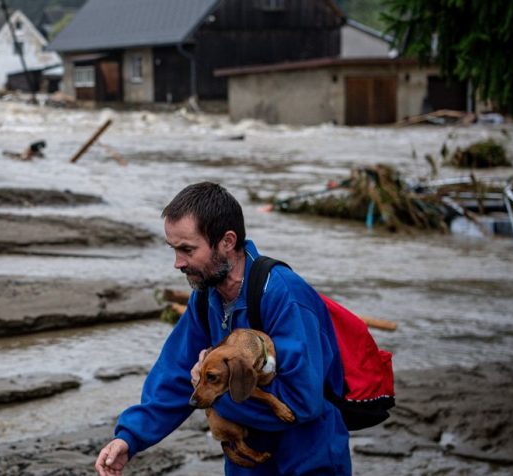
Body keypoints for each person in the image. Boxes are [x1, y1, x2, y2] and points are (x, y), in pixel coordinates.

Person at [94, 182, 351, 475]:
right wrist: (129, 438)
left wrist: (212, 390)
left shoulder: (284, 295)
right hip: (246, 464)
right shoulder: (206, 296)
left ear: (227, 241)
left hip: (308, 462)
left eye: (187, 250)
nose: (178, 263)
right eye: (174, 249)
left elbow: (302, 404)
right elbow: (176, 374)